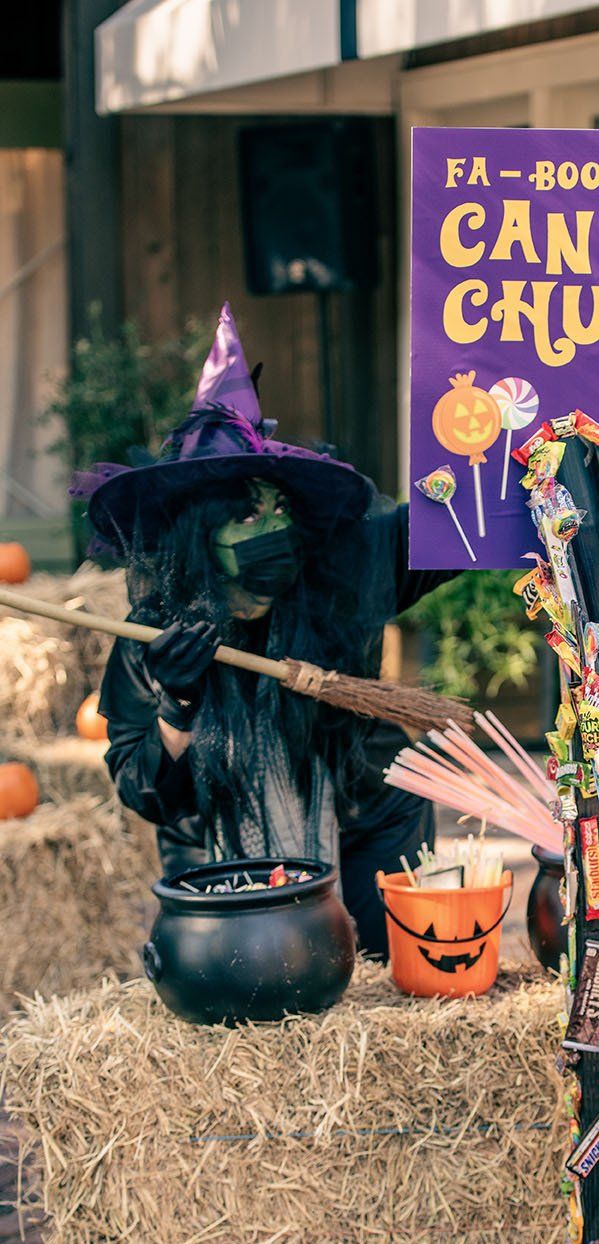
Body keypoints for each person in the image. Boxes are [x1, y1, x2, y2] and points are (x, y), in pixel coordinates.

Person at [77, 305, 458, 958]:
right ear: (198, 543)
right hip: (220, 860)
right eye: (248, 516)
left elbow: (462, 526)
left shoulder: (348, 563)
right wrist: (177, 706)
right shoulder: (152, 634)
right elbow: (145, 791)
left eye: (279, 511)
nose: (272, 531)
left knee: (383, 989)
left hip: (369, 823)